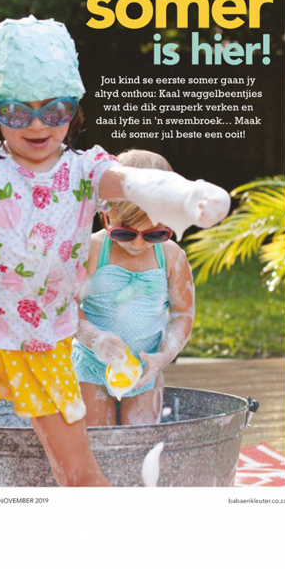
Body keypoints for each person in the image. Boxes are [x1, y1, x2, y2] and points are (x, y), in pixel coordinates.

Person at [0, 15, 230, 487]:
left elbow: (138, 182)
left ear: (73, 110)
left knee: (78, 472)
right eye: (15, 111)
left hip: (45, 342)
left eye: (54, 111)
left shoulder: (86, 171)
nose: (35, 125)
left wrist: (186, 195)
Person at [73, 149, 195, 427]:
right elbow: (64, 308)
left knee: (141, 442)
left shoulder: (171, 257)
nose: (137, 244)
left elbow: (183, 315)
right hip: (89, 366)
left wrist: (163, 356)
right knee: (95, 441)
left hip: (145, 369)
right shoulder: (90, 250)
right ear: (106, 216)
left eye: (155, 234)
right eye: (124, 232)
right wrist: (95, 338)